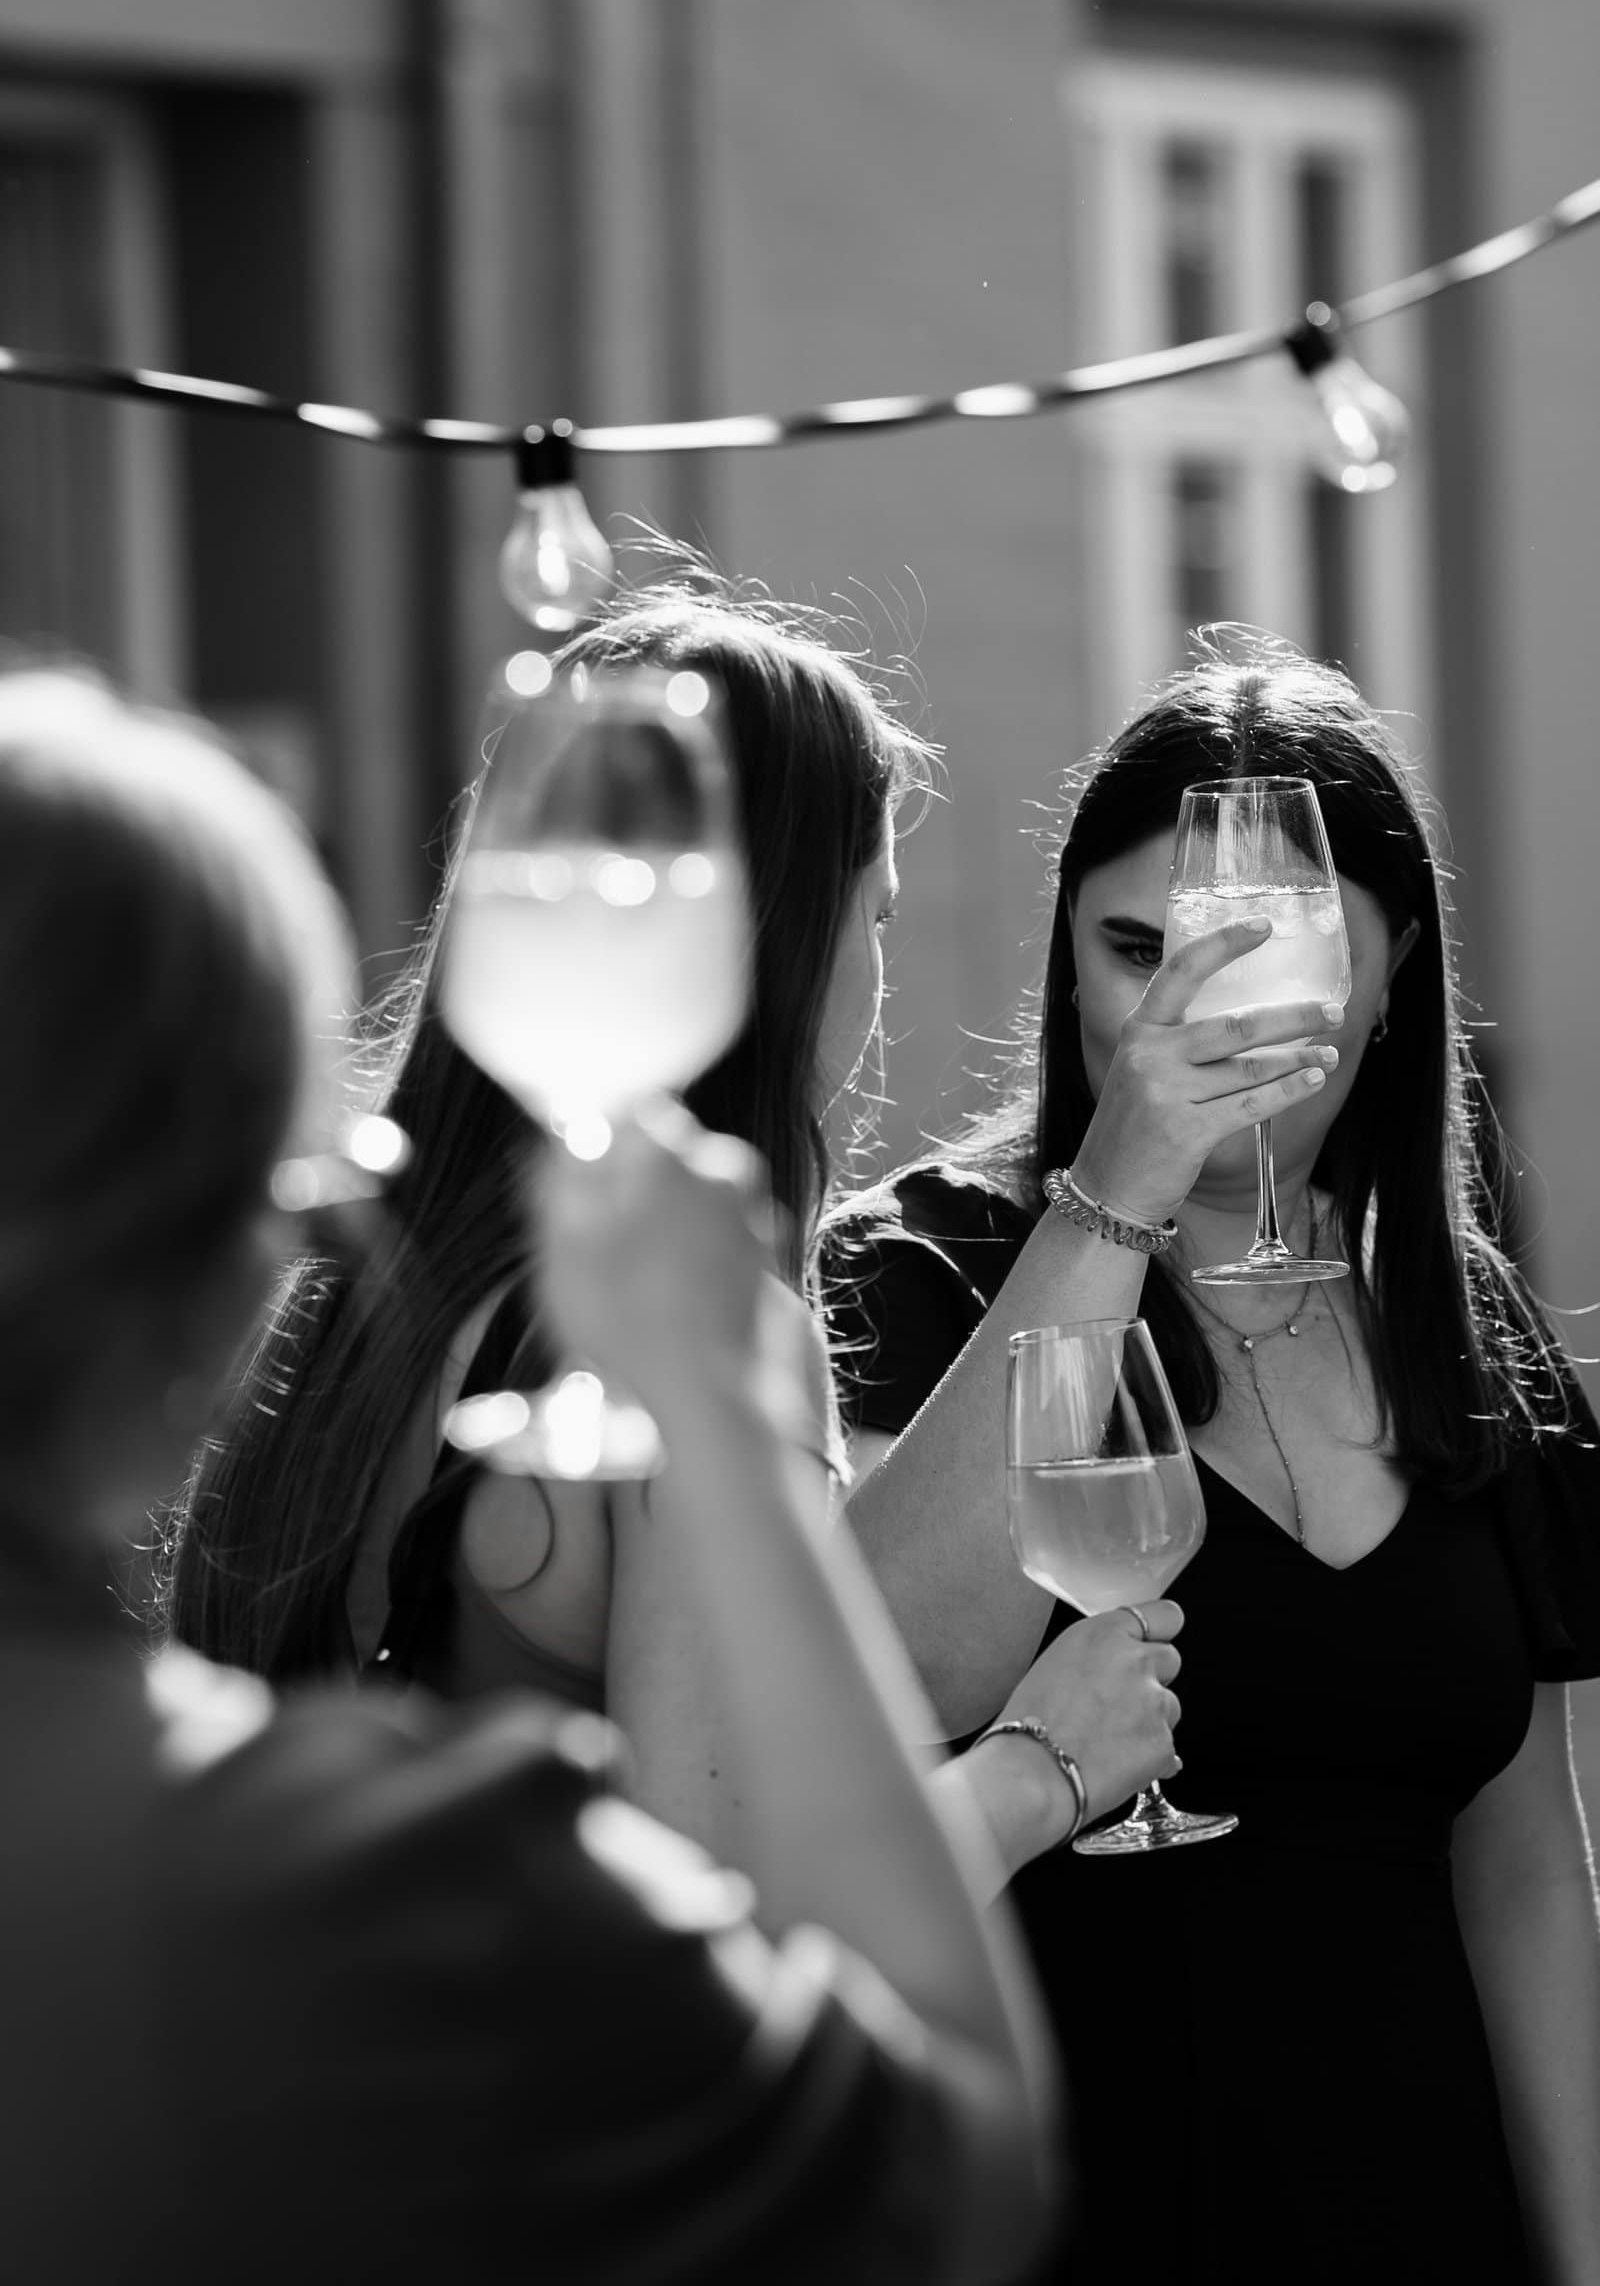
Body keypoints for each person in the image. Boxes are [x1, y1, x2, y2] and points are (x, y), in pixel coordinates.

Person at [0, 662, 1066, 2283]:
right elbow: (949, 2160)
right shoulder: (400, 1877)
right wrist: (733, 1429)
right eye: (881, 913)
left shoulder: (377, 1317)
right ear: (213, 1270)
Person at [166, 568, 1183, 1886]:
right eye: (873, 917)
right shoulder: (690, 1326)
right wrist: (1044, 1765)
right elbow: (731, 1907)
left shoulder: (347, 1271)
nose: (878, 980)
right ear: (786, 931)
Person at [823, 631, 1600, 2285]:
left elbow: (1523, 1861)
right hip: (1059, 2209)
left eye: (1273, 952)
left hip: (1416, 2208)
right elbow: (879, 1670)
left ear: (1392, 981)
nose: (1191, 1007)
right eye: (1133, 949)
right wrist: (1121, 1188)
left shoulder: (1456, 1317)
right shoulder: (924, 1267)